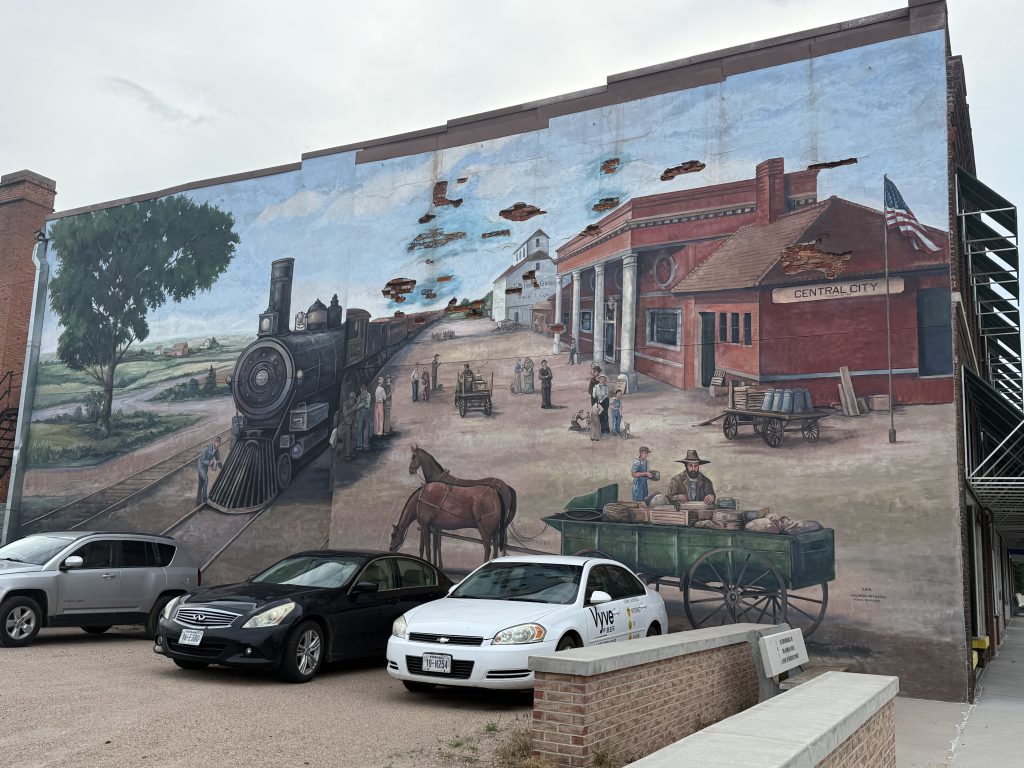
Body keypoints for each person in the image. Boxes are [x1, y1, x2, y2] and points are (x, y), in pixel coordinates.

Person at [195, 436, 222, 505]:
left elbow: (218, 461)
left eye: (219, 442)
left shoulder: (216, 451)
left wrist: (222, 469)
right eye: (217, 442)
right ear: (214, 442)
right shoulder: (207, 448)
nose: (218, 444)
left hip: (205, 468)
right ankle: (204, 498)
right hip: (201, 466)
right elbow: (202, 460)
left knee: (201, 483)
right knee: (205, 479)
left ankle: (198, 501)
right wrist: (210, 463)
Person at [338, 392, 357, 460]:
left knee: (352, 437)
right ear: (350, 397)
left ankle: (351, 452)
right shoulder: (345, 404)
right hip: (347, 423)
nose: (353, 399)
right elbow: (345, 413)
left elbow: (355, 413)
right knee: (347, 438)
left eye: (354, 398)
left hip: (352, 422)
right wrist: (352, 409)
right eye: (352, 398)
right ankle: (347, 454)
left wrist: (355, 421)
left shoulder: (354, 403)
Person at [355, 385, 372, 451]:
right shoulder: (359, 397)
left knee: (366, 429)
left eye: (363, 391)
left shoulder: (368, 395)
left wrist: (361, 404)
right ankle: (359, 444)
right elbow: (357, 407)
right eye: (361, 391)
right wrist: (363, 404)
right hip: (360, 414)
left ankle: (365, 444)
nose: (362, 392)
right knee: (359, 429)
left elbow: (368, 406)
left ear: (366, 390)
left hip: (366, 414)